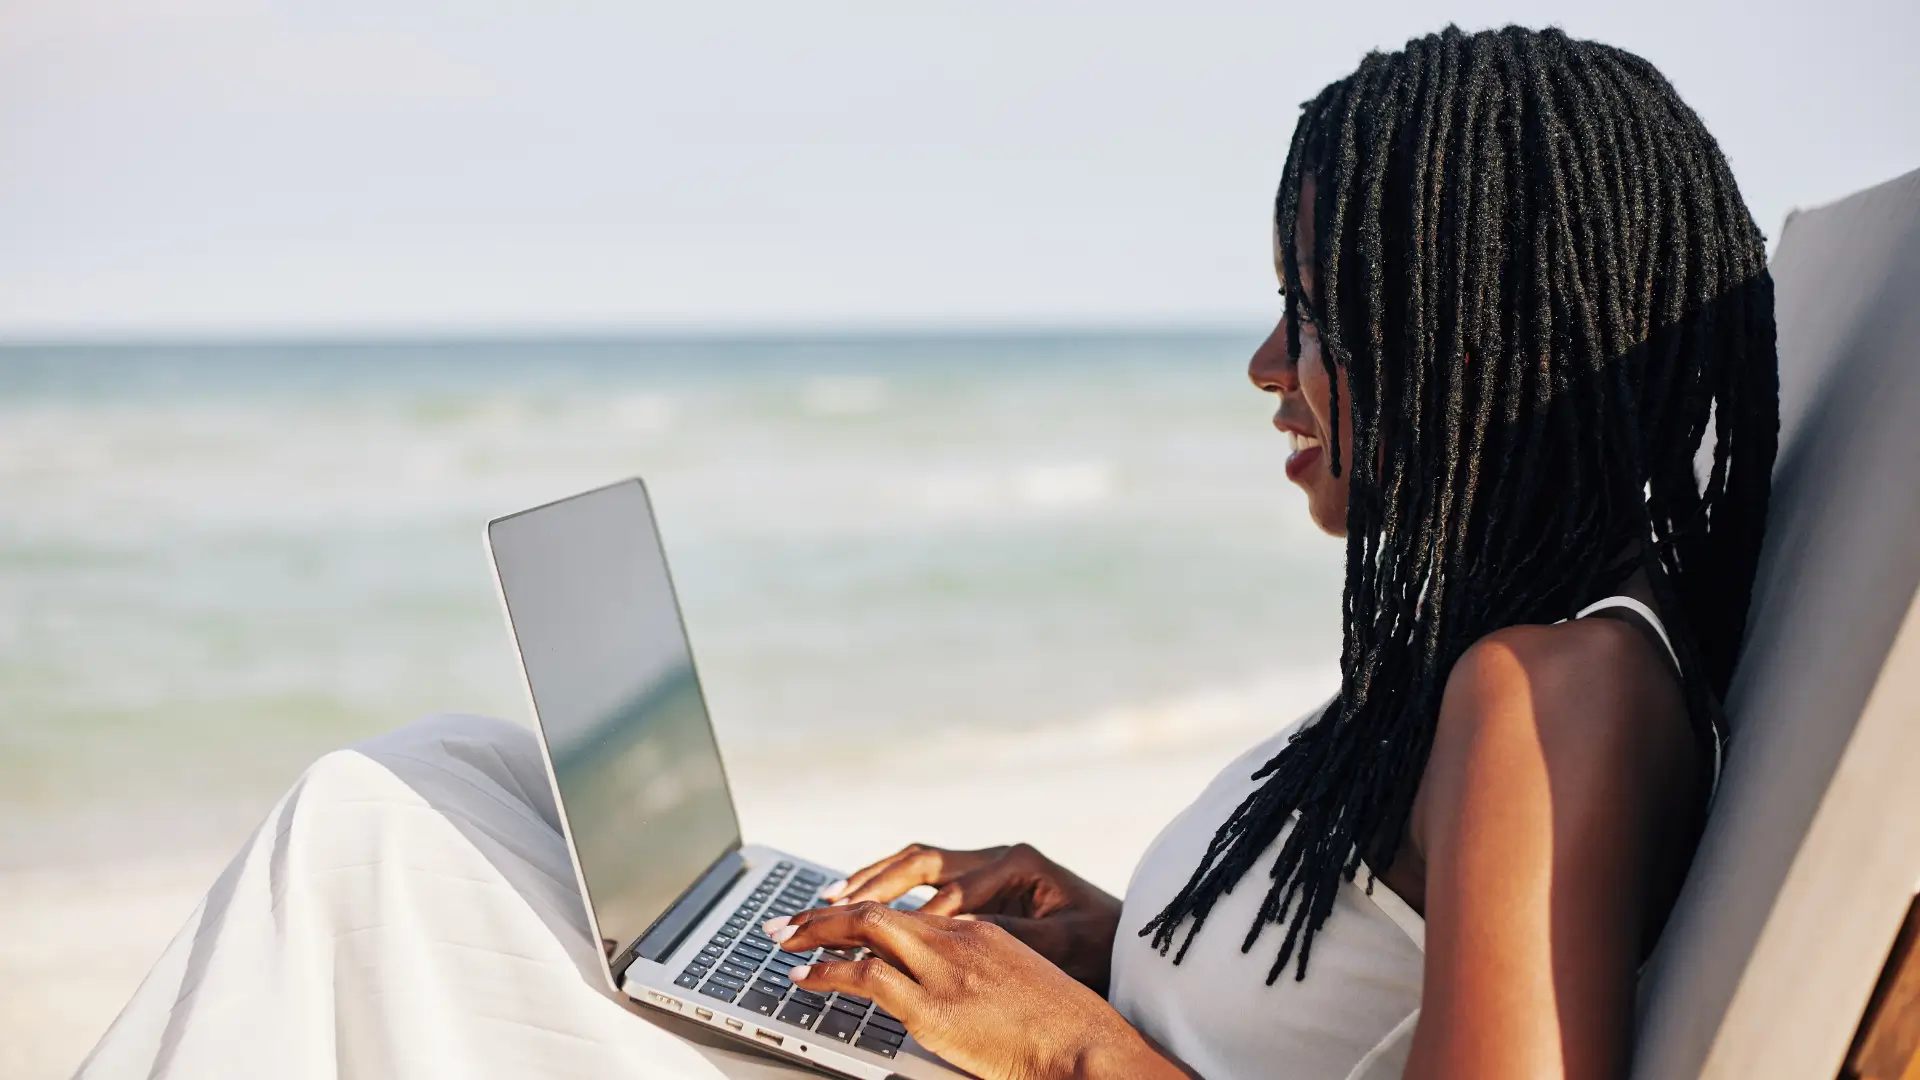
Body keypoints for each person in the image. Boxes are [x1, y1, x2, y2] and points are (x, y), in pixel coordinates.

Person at [80, 24, 1777, 1080]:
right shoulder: (1519, 661)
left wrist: (1061, 1050)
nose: (1270, 368)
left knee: (362, 851)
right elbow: (1368, 992)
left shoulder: (1552, 695)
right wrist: (1107, 934)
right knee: (458, 773)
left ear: (1479, 333)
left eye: (1315, 316)